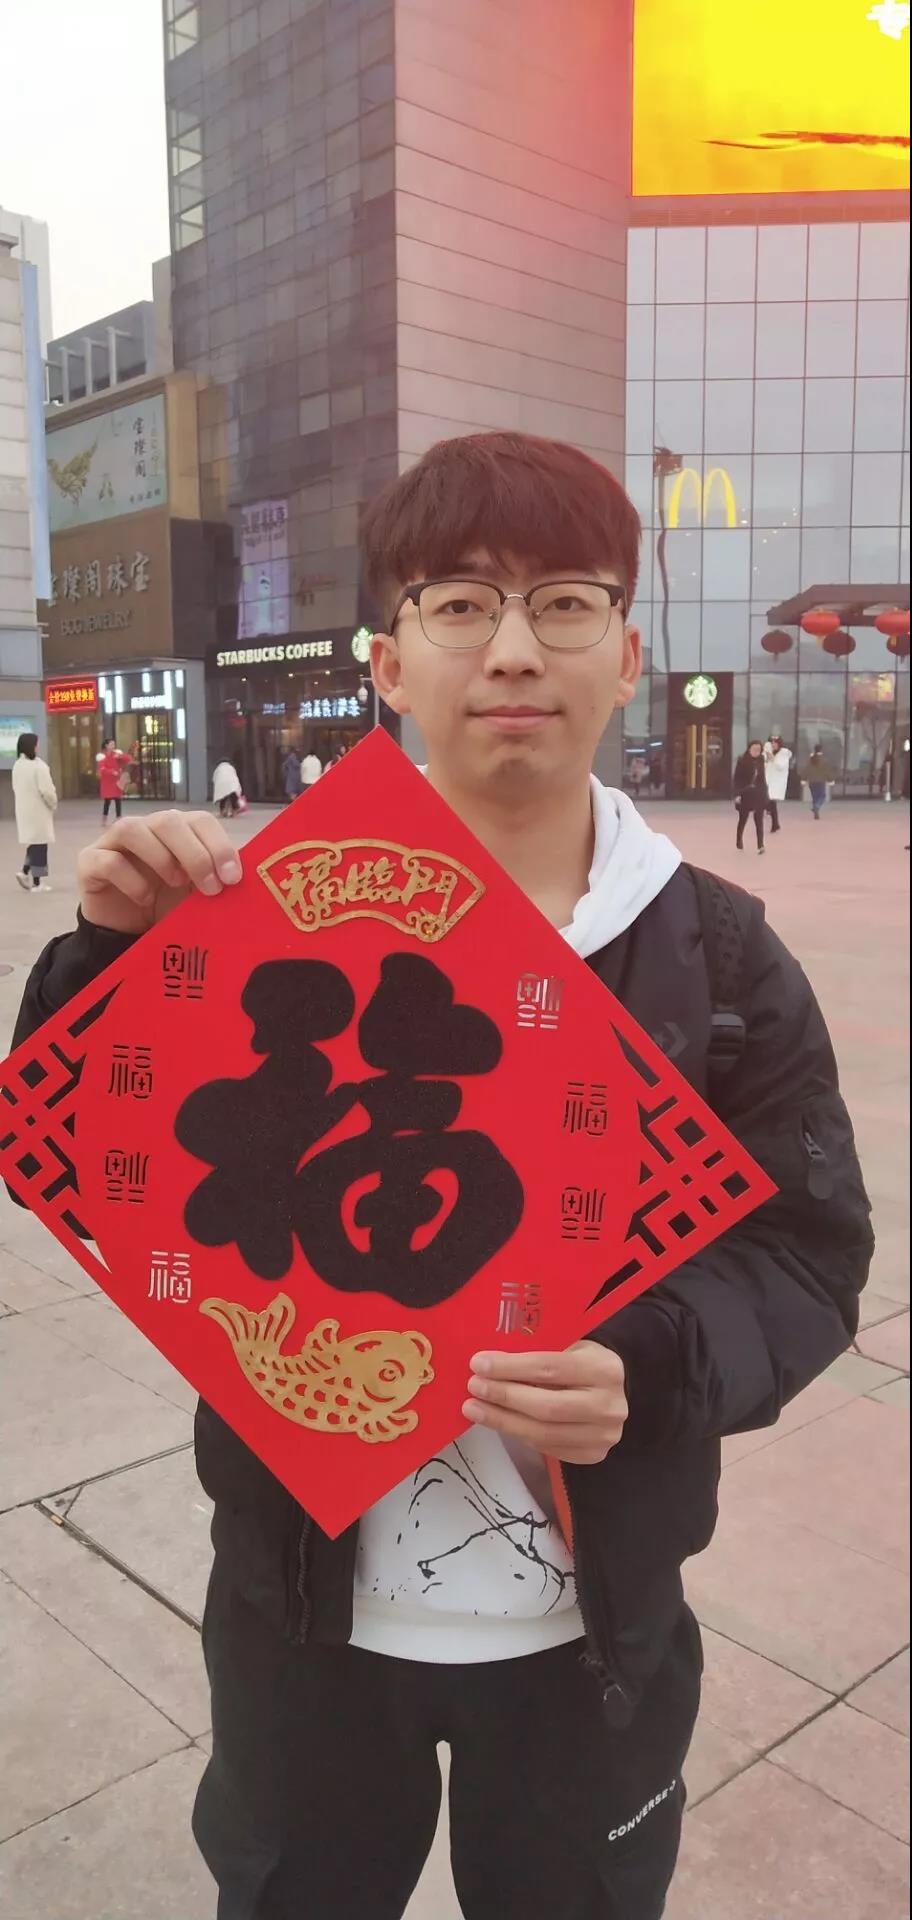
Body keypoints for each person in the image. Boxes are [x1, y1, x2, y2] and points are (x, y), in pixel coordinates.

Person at [12, 431, 873, 1920]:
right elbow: (66, 1161)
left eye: (566, 602)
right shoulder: (261, 915)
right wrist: (108, 965)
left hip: (593, 1643)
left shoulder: (718, 959)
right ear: (389, 663)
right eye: (460, 603)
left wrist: (653, 1362)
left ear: (629, 656)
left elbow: (809, 1254)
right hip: (301, 1625)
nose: (514, 648)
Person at [12, 732, 57, 893]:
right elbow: (47, 791)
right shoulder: (39, 766)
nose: (38, 747)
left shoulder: (18, 765)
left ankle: (24, 872)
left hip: (24, 810)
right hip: (39, 810)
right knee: (40, 845)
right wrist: (53, 804)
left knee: (34, 843)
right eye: (36, 744)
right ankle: (37, 883)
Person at [733, 740, 768, 853]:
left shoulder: (761, 760)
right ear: (749, 749)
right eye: (754, 749)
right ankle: (739, 840)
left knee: (759, 819)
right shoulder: (742, 760)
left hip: (758, 793)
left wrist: (765, 794)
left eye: (758, 750)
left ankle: (760, 845)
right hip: (746, 792)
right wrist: (737, 794)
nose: (756, 751)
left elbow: (762, 778)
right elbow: (737, 779)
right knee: (743, 818)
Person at [96, 737, 133, 822]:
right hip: (107, 781)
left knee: (118, 799)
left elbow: (128, 759)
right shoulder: (102, 756)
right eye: (111, 744)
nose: (113, 746)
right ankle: (104, 818)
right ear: (106, 745)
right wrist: (111, 771)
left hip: (116, 781)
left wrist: (120, 756)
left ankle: (119, 817)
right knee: (107, 801)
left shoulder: (117, 754)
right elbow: (101, 768)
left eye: (114, 744)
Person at [763, 733, 792, 833]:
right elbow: (763, 764)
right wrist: (767, 758)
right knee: (770, 801)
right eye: (772, 743)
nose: (773, 745)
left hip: (777, 781)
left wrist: (772, 758)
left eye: (775, 743)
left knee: (771, 801)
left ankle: (775, 823)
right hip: (767, 779)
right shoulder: (767, 752)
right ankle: (775, 823)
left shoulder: (784, 753)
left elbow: (780, 766)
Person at [804, 745, 832, 820]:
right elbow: (827, 771)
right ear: (821, 750)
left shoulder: (811, 759)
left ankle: (816, 813)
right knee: (822, 796)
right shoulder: (824, 760)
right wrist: (830, 779)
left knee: (815, 797)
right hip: (821, 781)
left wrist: (804, 779)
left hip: (811, 781)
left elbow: (806, 769)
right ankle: (817, 806)